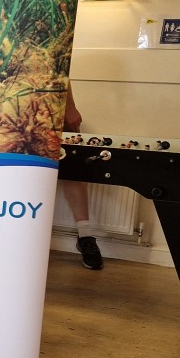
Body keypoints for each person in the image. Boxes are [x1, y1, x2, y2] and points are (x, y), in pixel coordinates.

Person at [63, 89, 103, 270]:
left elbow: (61, 73)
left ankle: (85, 236)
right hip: (16, 111)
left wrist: (70, 107)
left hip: (53, 105)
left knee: (74, 171)